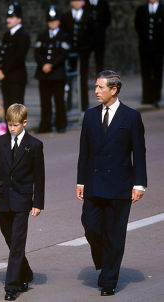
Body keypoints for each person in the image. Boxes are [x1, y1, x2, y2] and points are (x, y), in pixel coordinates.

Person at [76, 70, 147, 296]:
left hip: (120, 186)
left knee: (115, 234)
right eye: (95, 87)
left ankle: (108, 280)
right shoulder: (89, 115)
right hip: (94, 184)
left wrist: (139, 184)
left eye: (100, 87)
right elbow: (84, 152)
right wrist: (80, 181)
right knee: (91, 226)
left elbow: (139, 152)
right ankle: (105, 262)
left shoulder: (131, 117)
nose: (96, 91)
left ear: (113, 90)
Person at [0, 103, 44, 301]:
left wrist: (37, 202)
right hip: (3, 198)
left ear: (24, 123)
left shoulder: (35, 145)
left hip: (22, 201)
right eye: (9, 125)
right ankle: (26, 272)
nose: (11, 128)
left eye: (15, 125)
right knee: (9, 238)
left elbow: (39, 177)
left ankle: (11, 286)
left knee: (17, 243)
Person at [34, 6, 70, 133]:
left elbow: (63, 53)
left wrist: (51, 65)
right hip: (43, 74)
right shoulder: (42, 35)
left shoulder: (64, 36)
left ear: (59, 22)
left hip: (57, 73)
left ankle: (61, 124)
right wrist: (43, 64)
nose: (52, 23)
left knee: (59, 100)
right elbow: (37, 52)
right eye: (50, 21)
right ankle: (45, 125)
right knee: (45, 101)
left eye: (54, 21)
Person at [0, 2, 31, 112]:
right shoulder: (7, 35)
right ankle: (9, 130)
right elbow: (1, 53)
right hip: (6, 78)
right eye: (8, 17)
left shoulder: (23, 35)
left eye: (12, 17)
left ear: (19, 19)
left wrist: (3, 71)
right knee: (7, 108)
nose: (8, 20)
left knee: (16, 110)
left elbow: (18, 58)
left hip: (16, 78)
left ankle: (17, 130)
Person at [61, 0, 94, 111]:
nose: (76, 3)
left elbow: (92, 35)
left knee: (82, 79)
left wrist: (86, 50)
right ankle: (68, 105)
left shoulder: (88, 16)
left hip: (83, 54)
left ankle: (84, 104)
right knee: (68, 79)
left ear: (83, 2)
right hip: (69, 54)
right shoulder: (65, 17)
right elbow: (63, 35)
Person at [135, 0, 164, 107]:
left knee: (157, 72)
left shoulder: (162, 9)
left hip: (158, 48)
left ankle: (156, 96)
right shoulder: (141, 10)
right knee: (145, 72)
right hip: (144, 47)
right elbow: (137, 26)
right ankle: (147, 97)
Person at [85, 0, 111, 74]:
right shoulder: (84, 2)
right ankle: (83, 85)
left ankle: (100, 83)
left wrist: (100, 28)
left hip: (100, 37)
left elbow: (107, 19)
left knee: (100, 61)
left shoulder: (103, 3)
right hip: (86, 38)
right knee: (84, 61)